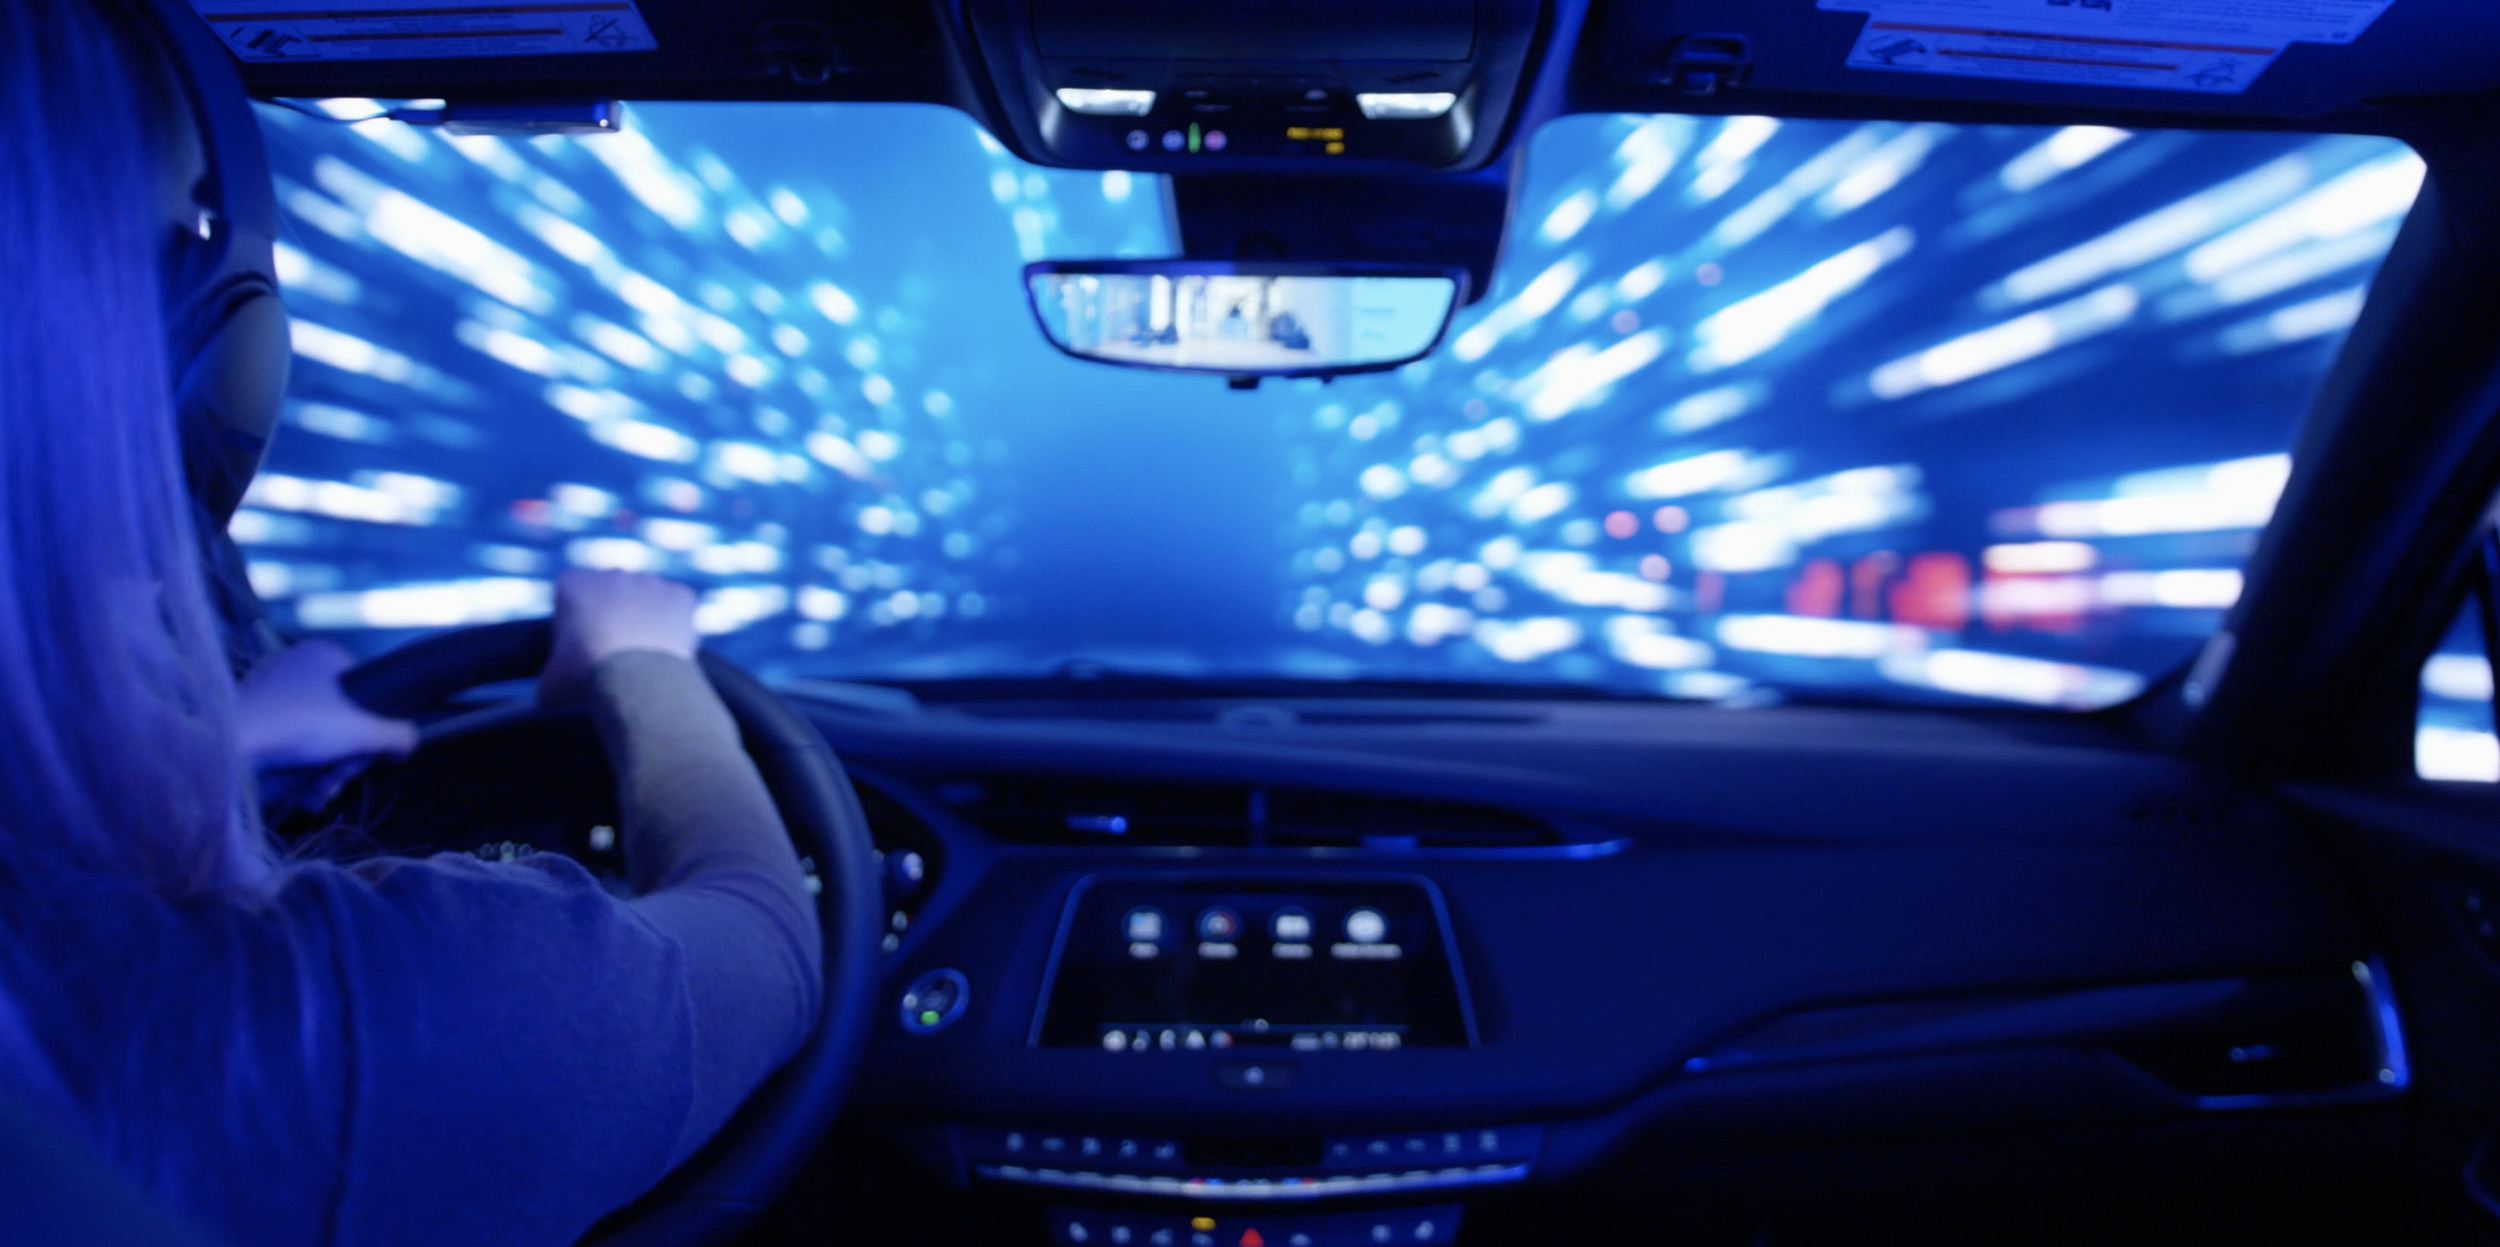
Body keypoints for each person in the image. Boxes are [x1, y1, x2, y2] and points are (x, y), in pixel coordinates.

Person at [0, 4, 824, 1245]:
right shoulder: (351, 1017)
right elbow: (770, 936)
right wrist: (647, 665)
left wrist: (206, 744)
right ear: (195, 356)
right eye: (187, 241)